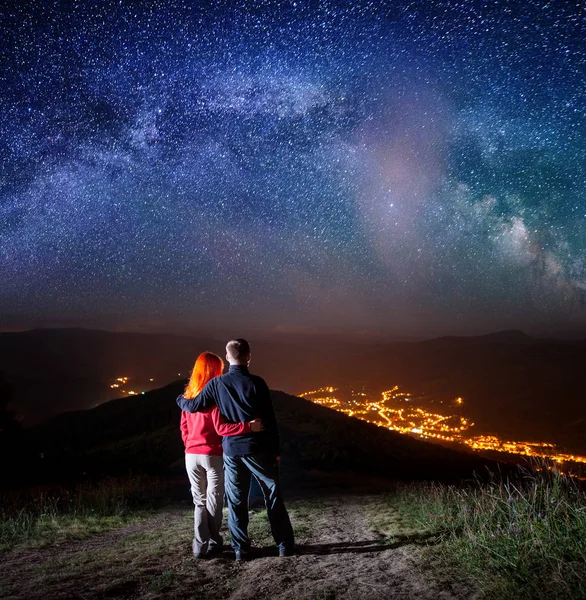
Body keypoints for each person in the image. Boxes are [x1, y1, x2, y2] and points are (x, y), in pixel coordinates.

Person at [177, 339, 295, 560]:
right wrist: (275, 450)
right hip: (259, 449)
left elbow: (192, 406)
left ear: (227, 356)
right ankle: (284, 544)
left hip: (231, 452)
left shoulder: (216, 384)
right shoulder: (258, 383)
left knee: (236, 501)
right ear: (249, 357)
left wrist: (179, 399)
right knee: (273, 496)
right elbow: (270, 420)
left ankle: (241, 549)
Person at [180, 351, 263, 559]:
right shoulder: (215, 397)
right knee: (214, 501)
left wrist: (190, 444)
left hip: (190, 455)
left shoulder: (188, 396)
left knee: (198, 501)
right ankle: (215, 542)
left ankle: (199, 546)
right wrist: (248, 427)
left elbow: (183, 428)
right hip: (212, 455)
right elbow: (221, 428)